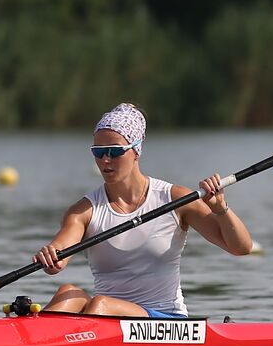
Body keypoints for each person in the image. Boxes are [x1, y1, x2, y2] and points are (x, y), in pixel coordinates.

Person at [33, 102, 255, 317]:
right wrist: (53, 257)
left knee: (100, 303)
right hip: (105, 315)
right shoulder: (82, 211)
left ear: (136, 151)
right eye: (98, 152)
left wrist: (220, 209)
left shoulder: (175, 199)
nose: (105, 160)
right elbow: (61, 246)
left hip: (165, 320)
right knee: (68, 293)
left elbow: (241, 248)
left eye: (114, 151)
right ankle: (35, 342)